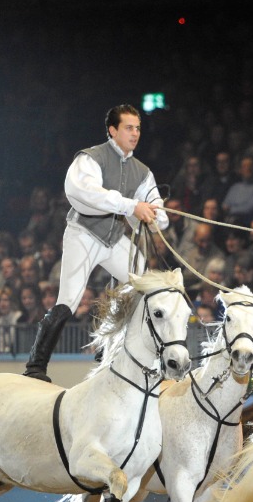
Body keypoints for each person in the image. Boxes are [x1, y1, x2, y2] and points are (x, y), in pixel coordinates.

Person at [24, 104, 168, 382]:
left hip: (113, 238)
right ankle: (36, 365)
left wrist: (155, 215)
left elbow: (155, 208)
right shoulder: (90, 158)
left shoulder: (142, 171)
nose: (135, 133)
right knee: (69, 298)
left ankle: (108, 348)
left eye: (137, 128)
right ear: (113, 131)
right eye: (129, 128)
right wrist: (132, 206)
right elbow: (87, 194)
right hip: (83, 233)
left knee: (143, 282)